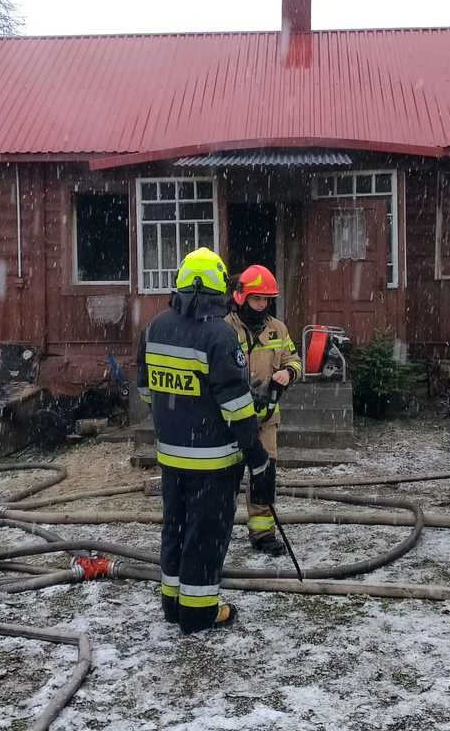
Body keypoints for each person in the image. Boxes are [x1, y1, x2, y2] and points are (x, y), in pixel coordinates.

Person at [136, 247, 276, 633]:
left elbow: (147, 393)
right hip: (213, 461)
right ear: (220, 290)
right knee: (206, 534)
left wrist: (181, 415)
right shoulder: (219, 335)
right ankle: (198, 612)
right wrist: (258, 457)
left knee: (175, 527)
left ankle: (172, 601)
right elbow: (235, 406)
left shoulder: (154, 328)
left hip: (171, 456)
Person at [225, 264, 303, 555]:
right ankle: (219, 528)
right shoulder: (224, 328)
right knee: (228, 479)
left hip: (266, 420)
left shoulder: (277, 329)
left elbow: (295, 360)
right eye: (258, 298)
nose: (263, 305)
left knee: (264, 478)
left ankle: (262, 534)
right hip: (231, 422)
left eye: (267, 299)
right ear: (242, 297)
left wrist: (288, 374)